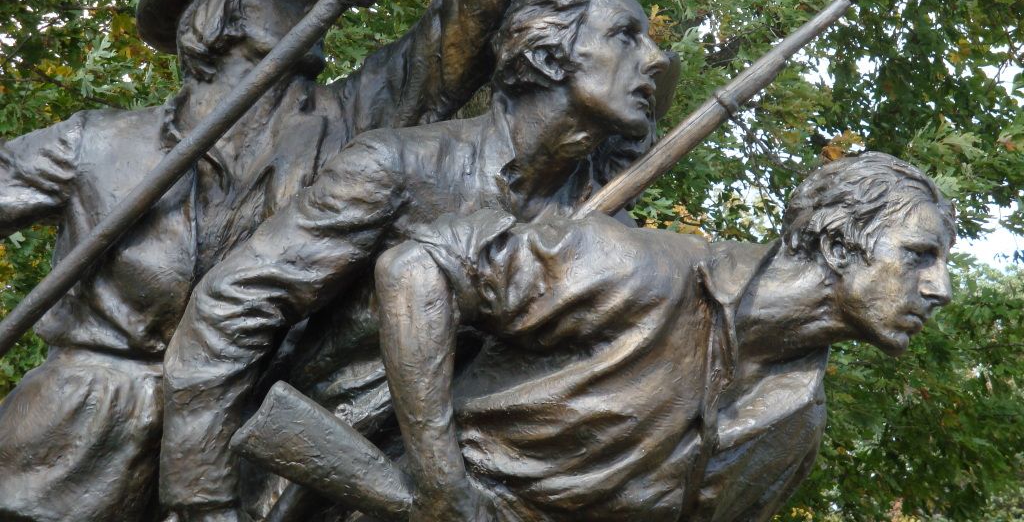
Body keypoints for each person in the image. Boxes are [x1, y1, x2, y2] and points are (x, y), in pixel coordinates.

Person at [0, 0, 597, 515]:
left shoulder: (354, 125)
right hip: (65, 449)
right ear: (222, 14)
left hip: (239, 451)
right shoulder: (94, 144)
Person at [159, 0, 672, 521]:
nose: (653, 58)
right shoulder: (400, 166)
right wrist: (200, 499)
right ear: (548, 55)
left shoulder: (608, 234)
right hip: (310, 494)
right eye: (625, 36)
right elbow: (230, 309)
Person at [368, 152, 954, 522]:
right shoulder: (634, 268)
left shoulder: (797, 425)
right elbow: (418, 269)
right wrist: (440, 477)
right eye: (919, 256)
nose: (940, 288)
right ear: (837, 245)